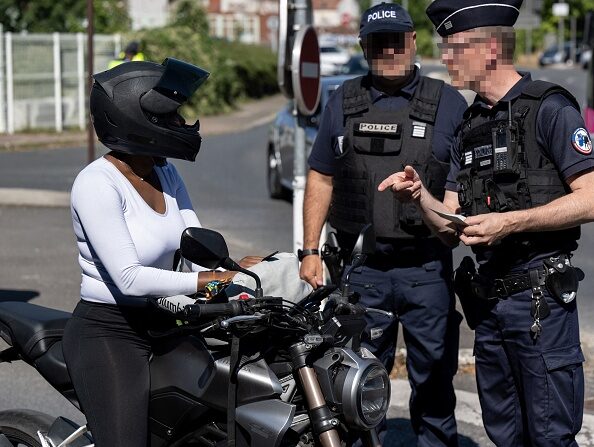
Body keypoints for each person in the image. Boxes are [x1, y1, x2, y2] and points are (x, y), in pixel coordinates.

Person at [380, 0, 594, 445]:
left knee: (550, 435)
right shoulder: (470, 124)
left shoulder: (550, 110)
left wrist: (510, 223)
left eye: (453, 47)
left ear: (491, 48)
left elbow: (591, 198)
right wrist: (422, 197)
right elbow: (450, 225)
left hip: (540, 303)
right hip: (490, 306)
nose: (444, 58)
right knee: (504, 433)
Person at [62, 58, 255, 446]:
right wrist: (206, 280)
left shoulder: (164, 171)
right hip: (110, 333)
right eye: (170, 116)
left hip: (168, 320)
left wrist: (237, 270)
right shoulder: (96, 184)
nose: (182, 123)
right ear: (132, 117)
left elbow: (192, 242)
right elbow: (129, 278)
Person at [299, 3, 468, 445]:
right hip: (361, 271)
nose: (389, 49)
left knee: (433, 386)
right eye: (378, 42)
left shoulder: (448, 102)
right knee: (352, 389)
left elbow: (462, 186)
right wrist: (311, 250)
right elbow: (321, 176)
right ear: (364, 47)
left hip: (426, 269)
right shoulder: (343, 100)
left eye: (397, 40)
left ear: (413, 42)